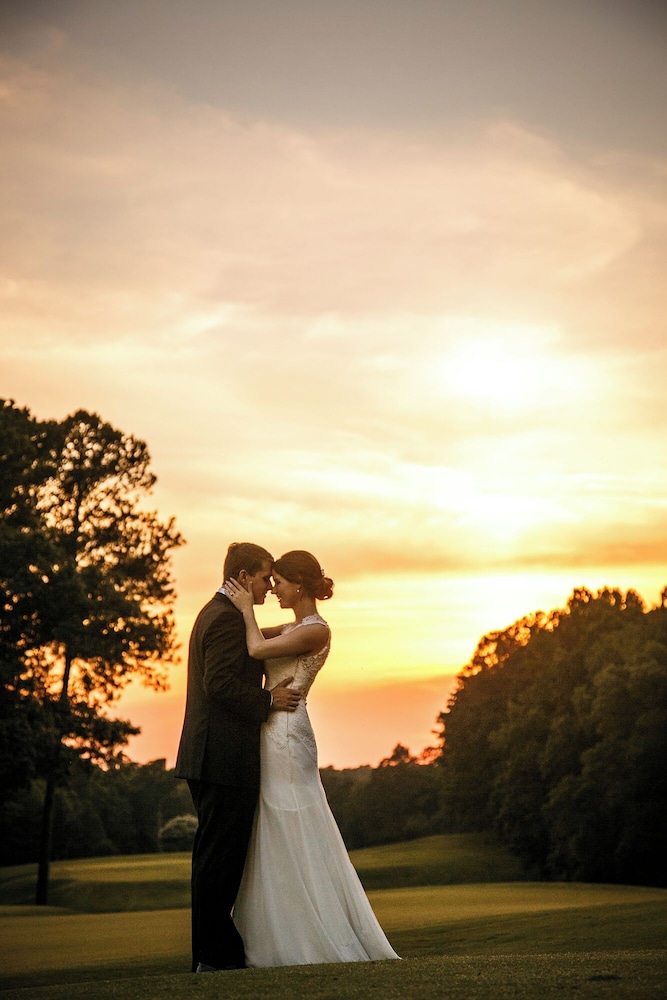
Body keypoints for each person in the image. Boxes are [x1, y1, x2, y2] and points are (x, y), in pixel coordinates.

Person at [224, 549, 399, 967]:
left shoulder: (316, 631)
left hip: (286, 734)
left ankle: (309, 934)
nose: (275, 589)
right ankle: (276, 929)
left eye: (279, 582)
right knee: (272, 820)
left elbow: (254, 649)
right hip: (272, 726)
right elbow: (248, 638)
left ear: (298, 584)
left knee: (291, 819)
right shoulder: (294, 625)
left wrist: (246, 610)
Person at [174, 542, 301, 974]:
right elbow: (221, 685)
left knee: (216, 859)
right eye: (266, 576)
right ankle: (216, 957)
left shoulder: (218, 613)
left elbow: (241, 656)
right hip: (222, 757)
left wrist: (286, 629)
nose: (269, 584)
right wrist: (268, 699)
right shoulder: (226, 619)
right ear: (245, 577)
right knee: (219, 861)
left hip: (212, 755)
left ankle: (210, 956)